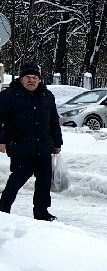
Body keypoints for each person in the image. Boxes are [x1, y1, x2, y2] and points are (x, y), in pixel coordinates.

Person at [0, 61, 64, 221]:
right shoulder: (9, 96)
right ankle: (2, 209)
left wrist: (57, 142)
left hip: (43, 146)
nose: (31, 80)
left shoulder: (47, 95)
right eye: (28, 77)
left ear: (39, 80)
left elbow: (54, 120)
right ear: (21, 79)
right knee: (18, 178)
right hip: (20, 145)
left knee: (43, 181)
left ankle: (41, 212)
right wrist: (1, 140)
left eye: (35, 77)